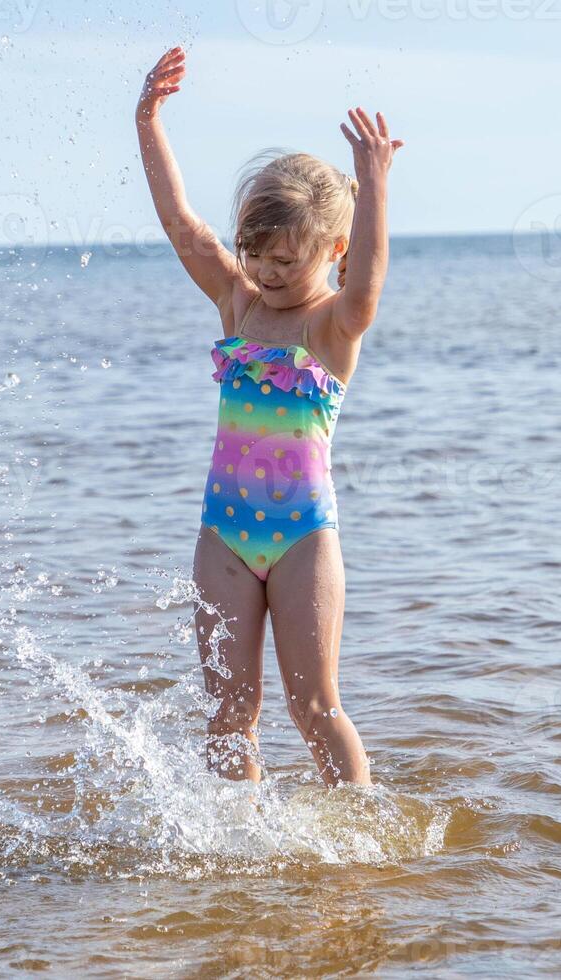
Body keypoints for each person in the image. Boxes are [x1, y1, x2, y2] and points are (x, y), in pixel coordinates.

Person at [136, 45, 404, 789]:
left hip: (302, 540)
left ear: (333, 251)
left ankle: (358, 837)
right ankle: (238, 855)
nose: (269, 272)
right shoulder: (238, 305)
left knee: (315, 705)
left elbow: (371, 285)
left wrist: (376, 182)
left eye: (288, 260)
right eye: (258, 254)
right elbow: (184, 226)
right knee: (228, 713)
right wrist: (148, 121)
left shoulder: (331, 329)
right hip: (222, 535)